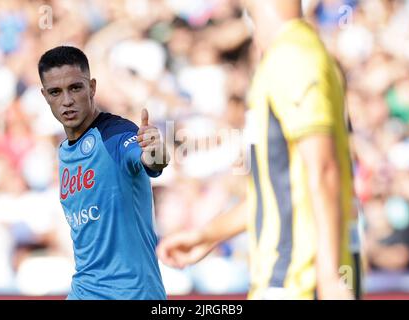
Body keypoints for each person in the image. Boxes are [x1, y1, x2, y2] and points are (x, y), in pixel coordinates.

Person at [157, 0, 360, 300]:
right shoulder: (285, 54)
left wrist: (329, 275)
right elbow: (284, 188)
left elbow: (324, 169)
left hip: (300, 280)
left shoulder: (293, 56)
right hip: (288, 280)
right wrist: (209, 235)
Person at [38, 46, 169, 300]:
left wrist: (155, 151)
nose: (66, 100)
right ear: (45, 96)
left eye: (75, 88)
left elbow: (151, 159)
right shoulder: (64, 151)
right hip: (84, 290)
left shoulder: (114, 134)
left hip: (133, 294)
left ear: (92, 88)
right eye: (56, 92)